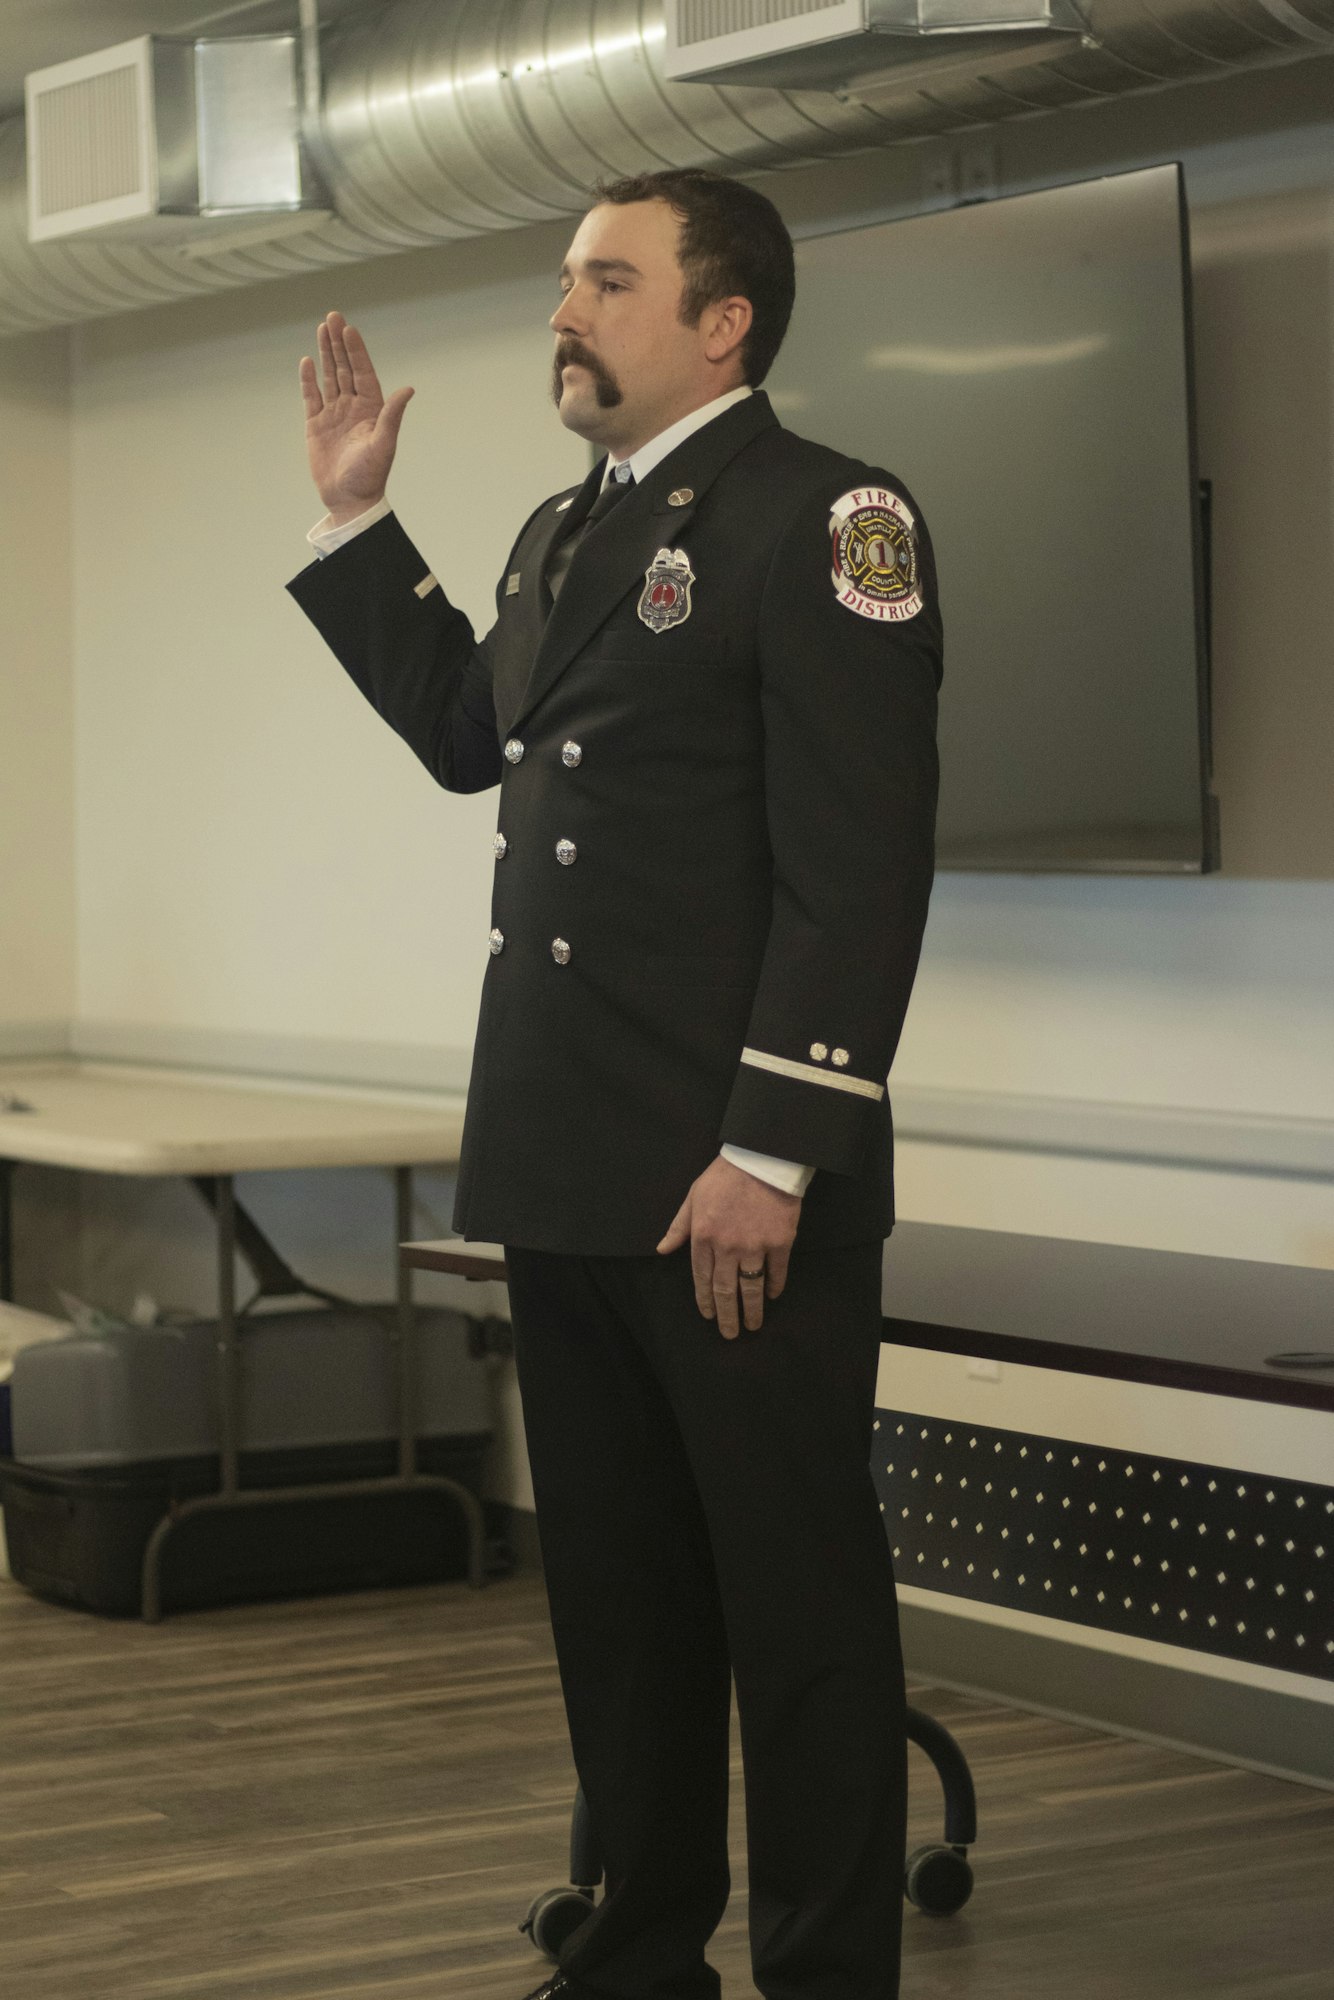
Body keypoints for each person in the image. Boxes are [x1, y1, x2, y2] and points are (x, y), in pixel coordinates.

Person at [288, 167, 942, 2000]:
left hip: (726, 1176)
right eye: (567, 280)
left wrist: (772, 1152)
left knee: (796, 1610)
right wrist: (358, 522)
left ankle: (827, 1973)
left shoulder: (829, 518)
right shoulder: (563, 530)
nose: (564, 310)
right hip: (568, 1153)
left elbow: (858, 871)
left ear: (723, 323)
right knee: (622, 1602)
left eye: (607, 280)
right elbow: (466, 735)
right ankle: (641, 1948)